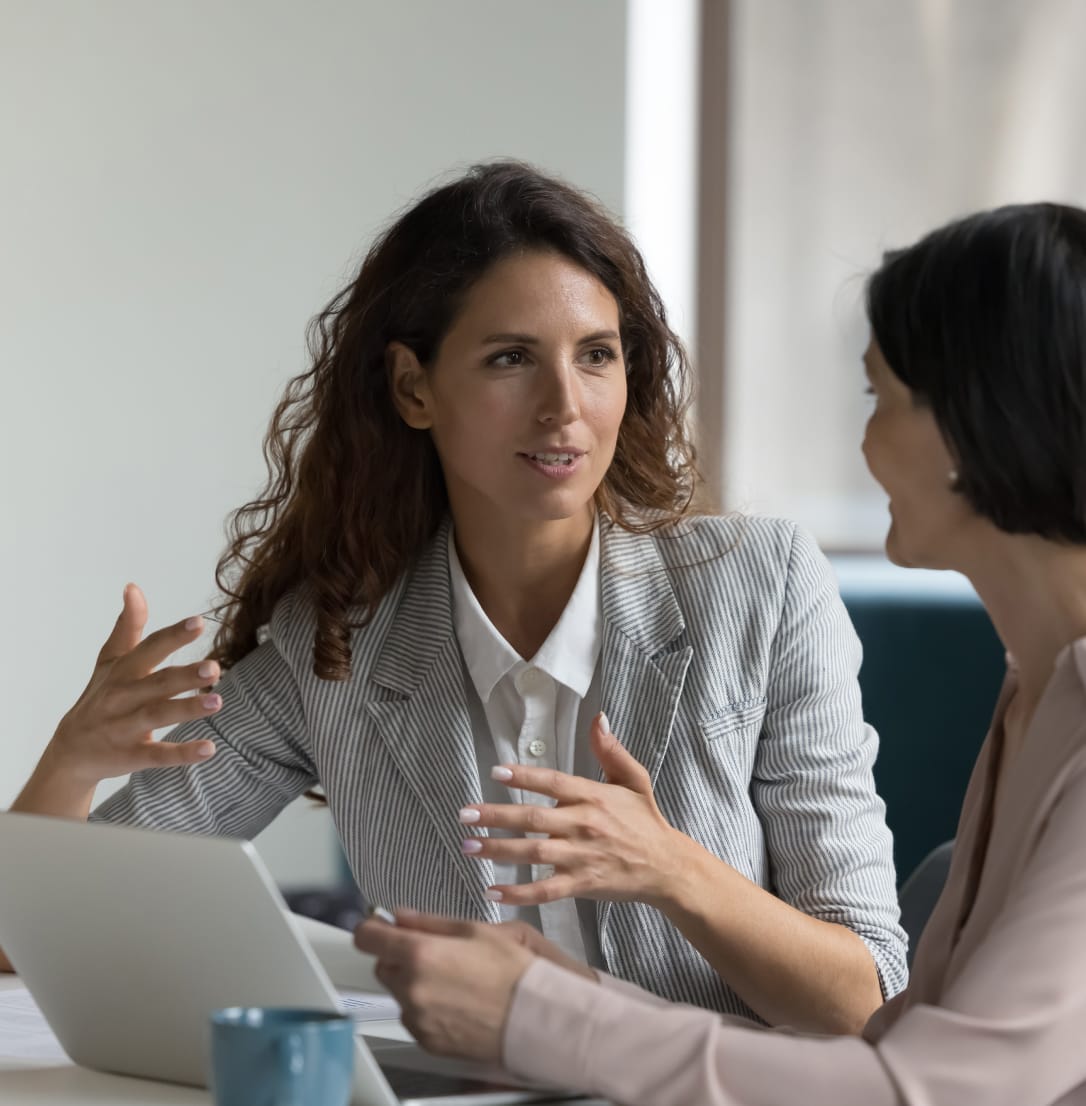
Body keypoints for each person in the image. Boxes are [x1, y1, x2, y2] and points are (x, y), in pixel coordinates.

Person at [7, 161, 905, 1032]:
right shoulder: (334, 647)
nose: (566, 405)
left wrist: (669, 867)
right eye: (512, 358)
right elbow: (30, 940)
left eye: (597, 355)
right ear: (413, 388)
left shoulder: (762, 586)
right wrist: (72, 765)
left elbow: (863, 1000)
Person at [355, 200, 1086, 1106]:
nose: (863, 442)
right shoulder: (1035, 695)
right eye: (511, 357)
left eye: (880, 399)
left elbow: (933, 1088)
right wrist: (577, 1001)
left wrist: (541, 1017)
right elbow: (900, 1045)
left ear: (982, 423)